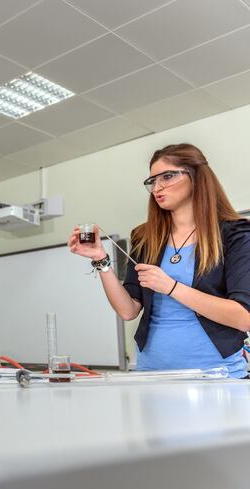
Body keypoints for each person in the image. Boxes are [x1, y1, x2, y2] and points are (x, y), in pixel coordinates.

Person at [68, 144, 250, 378]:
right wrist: (100, 259)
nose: (157, 187)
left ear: (197, 176)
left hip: (216, 374)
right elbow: (128, 310)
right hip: (152, 372)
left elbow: (244, 317)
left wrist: (171, 287)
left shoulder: (235, 235)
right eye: (152, 181)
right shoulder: (145, 237)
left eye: (167, 176)